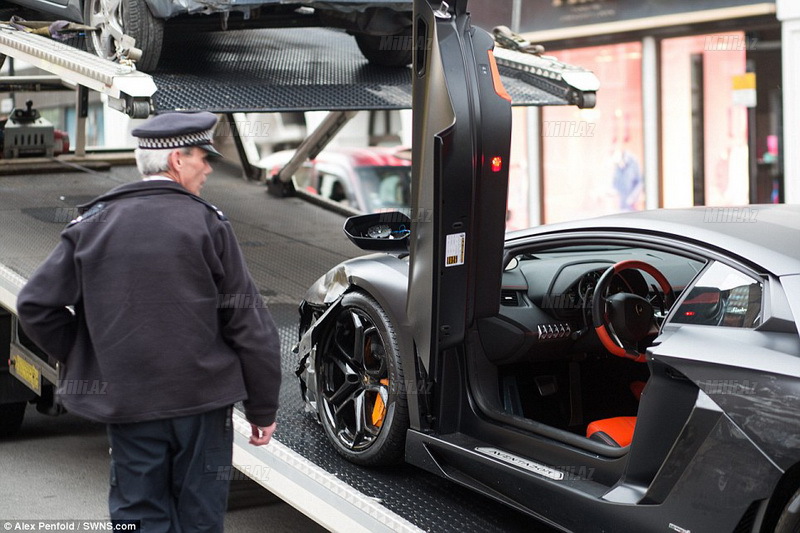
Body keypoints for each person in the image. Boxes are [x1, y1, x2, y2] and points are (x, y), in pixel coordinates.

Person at [16, 111, 282, 532]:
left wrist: (89, 355)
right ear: (177, 160)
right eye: (203, 159)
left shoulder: (92, 223)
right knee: (200, 517)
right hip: (203, 406)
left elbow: (35, 306)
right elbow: (248, 324)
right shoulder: (208, 224)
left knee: (137, 517)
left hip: (130, 402)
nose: (209, 169)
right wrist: (262, 408)